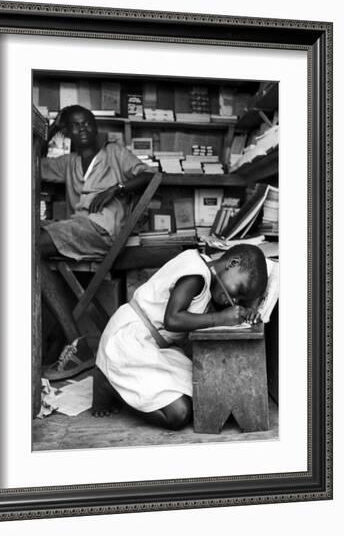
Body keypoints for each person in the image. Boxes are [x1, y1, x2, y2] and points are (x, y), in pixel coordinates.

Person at [92, 244, 268, 430]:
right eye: (239, 290)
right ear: (233, 263)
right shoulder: (196, 275)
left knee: (205, 394)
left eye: (241, 300)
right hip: (127, 342)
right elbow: (173, 320)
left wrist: (246, 313)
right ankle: (110, 383)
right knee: (178, 414)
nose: (235, 300)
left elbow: (213, 312)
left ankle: (121, 382)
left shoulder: (209, 277)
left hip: (153, 347)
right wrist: (221, 318)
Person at [39, 105, 153, 380]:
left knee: (29, 246)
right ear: (66, 133)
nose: (84, 129)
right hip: (76, 230)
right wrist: (49, 134)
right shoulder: (68, 163)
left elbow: (149, 175)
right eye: (75, 126)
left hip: (101, 231)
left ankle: (75, 342)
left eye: (88, 123)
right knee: (29, 246)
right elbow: (34, 166)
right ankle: (72, 340)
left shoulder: (114, 153)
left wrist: (118, 188)